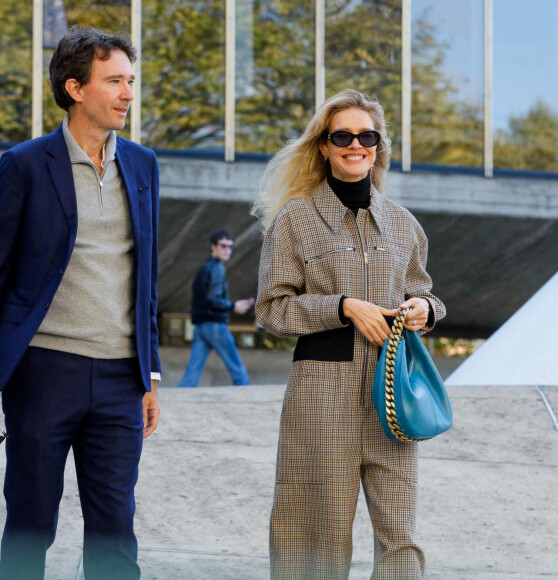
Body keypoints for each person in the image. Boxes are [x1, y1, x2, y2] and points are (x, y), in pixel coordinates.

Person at [252, 89, 446, 579]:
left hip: (392, 400)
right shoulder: (294, 220)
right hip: (321, 402)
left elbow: (426, 292)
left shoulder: (404, 226)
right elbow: (271, 310)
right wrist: (342, 307)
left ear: (378, 146)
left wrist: (425, 308)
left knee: (401, 539)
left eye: (366, 136)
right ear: (324, 145)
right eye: (343, 136)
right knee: (316, 537)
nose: (354, 144)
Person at [0, 26, 161, 579]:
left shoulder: (142, 166)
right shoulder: (22, 165)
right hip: (42, 372)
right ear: (75, 88)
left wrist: (150, 373)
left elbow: (145, 277)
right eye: (114, 81)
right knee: (30, 521)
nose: (127, 94)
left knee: (116, 529)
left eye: (130, 81)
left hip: (121, 378)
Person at [178, 230, 255, 387]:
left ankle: (176, 403)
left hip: (200, 327)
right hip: (215, 326)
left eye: (230, 247)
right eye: (223, 246)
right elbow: (213, 299)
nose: (227, 250)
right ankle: (248, 400)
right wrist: (234, 306)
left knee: (192, 373)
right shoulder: (217, 269)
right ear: (213, 246)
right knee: (237, 369)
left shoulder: (204, 268)